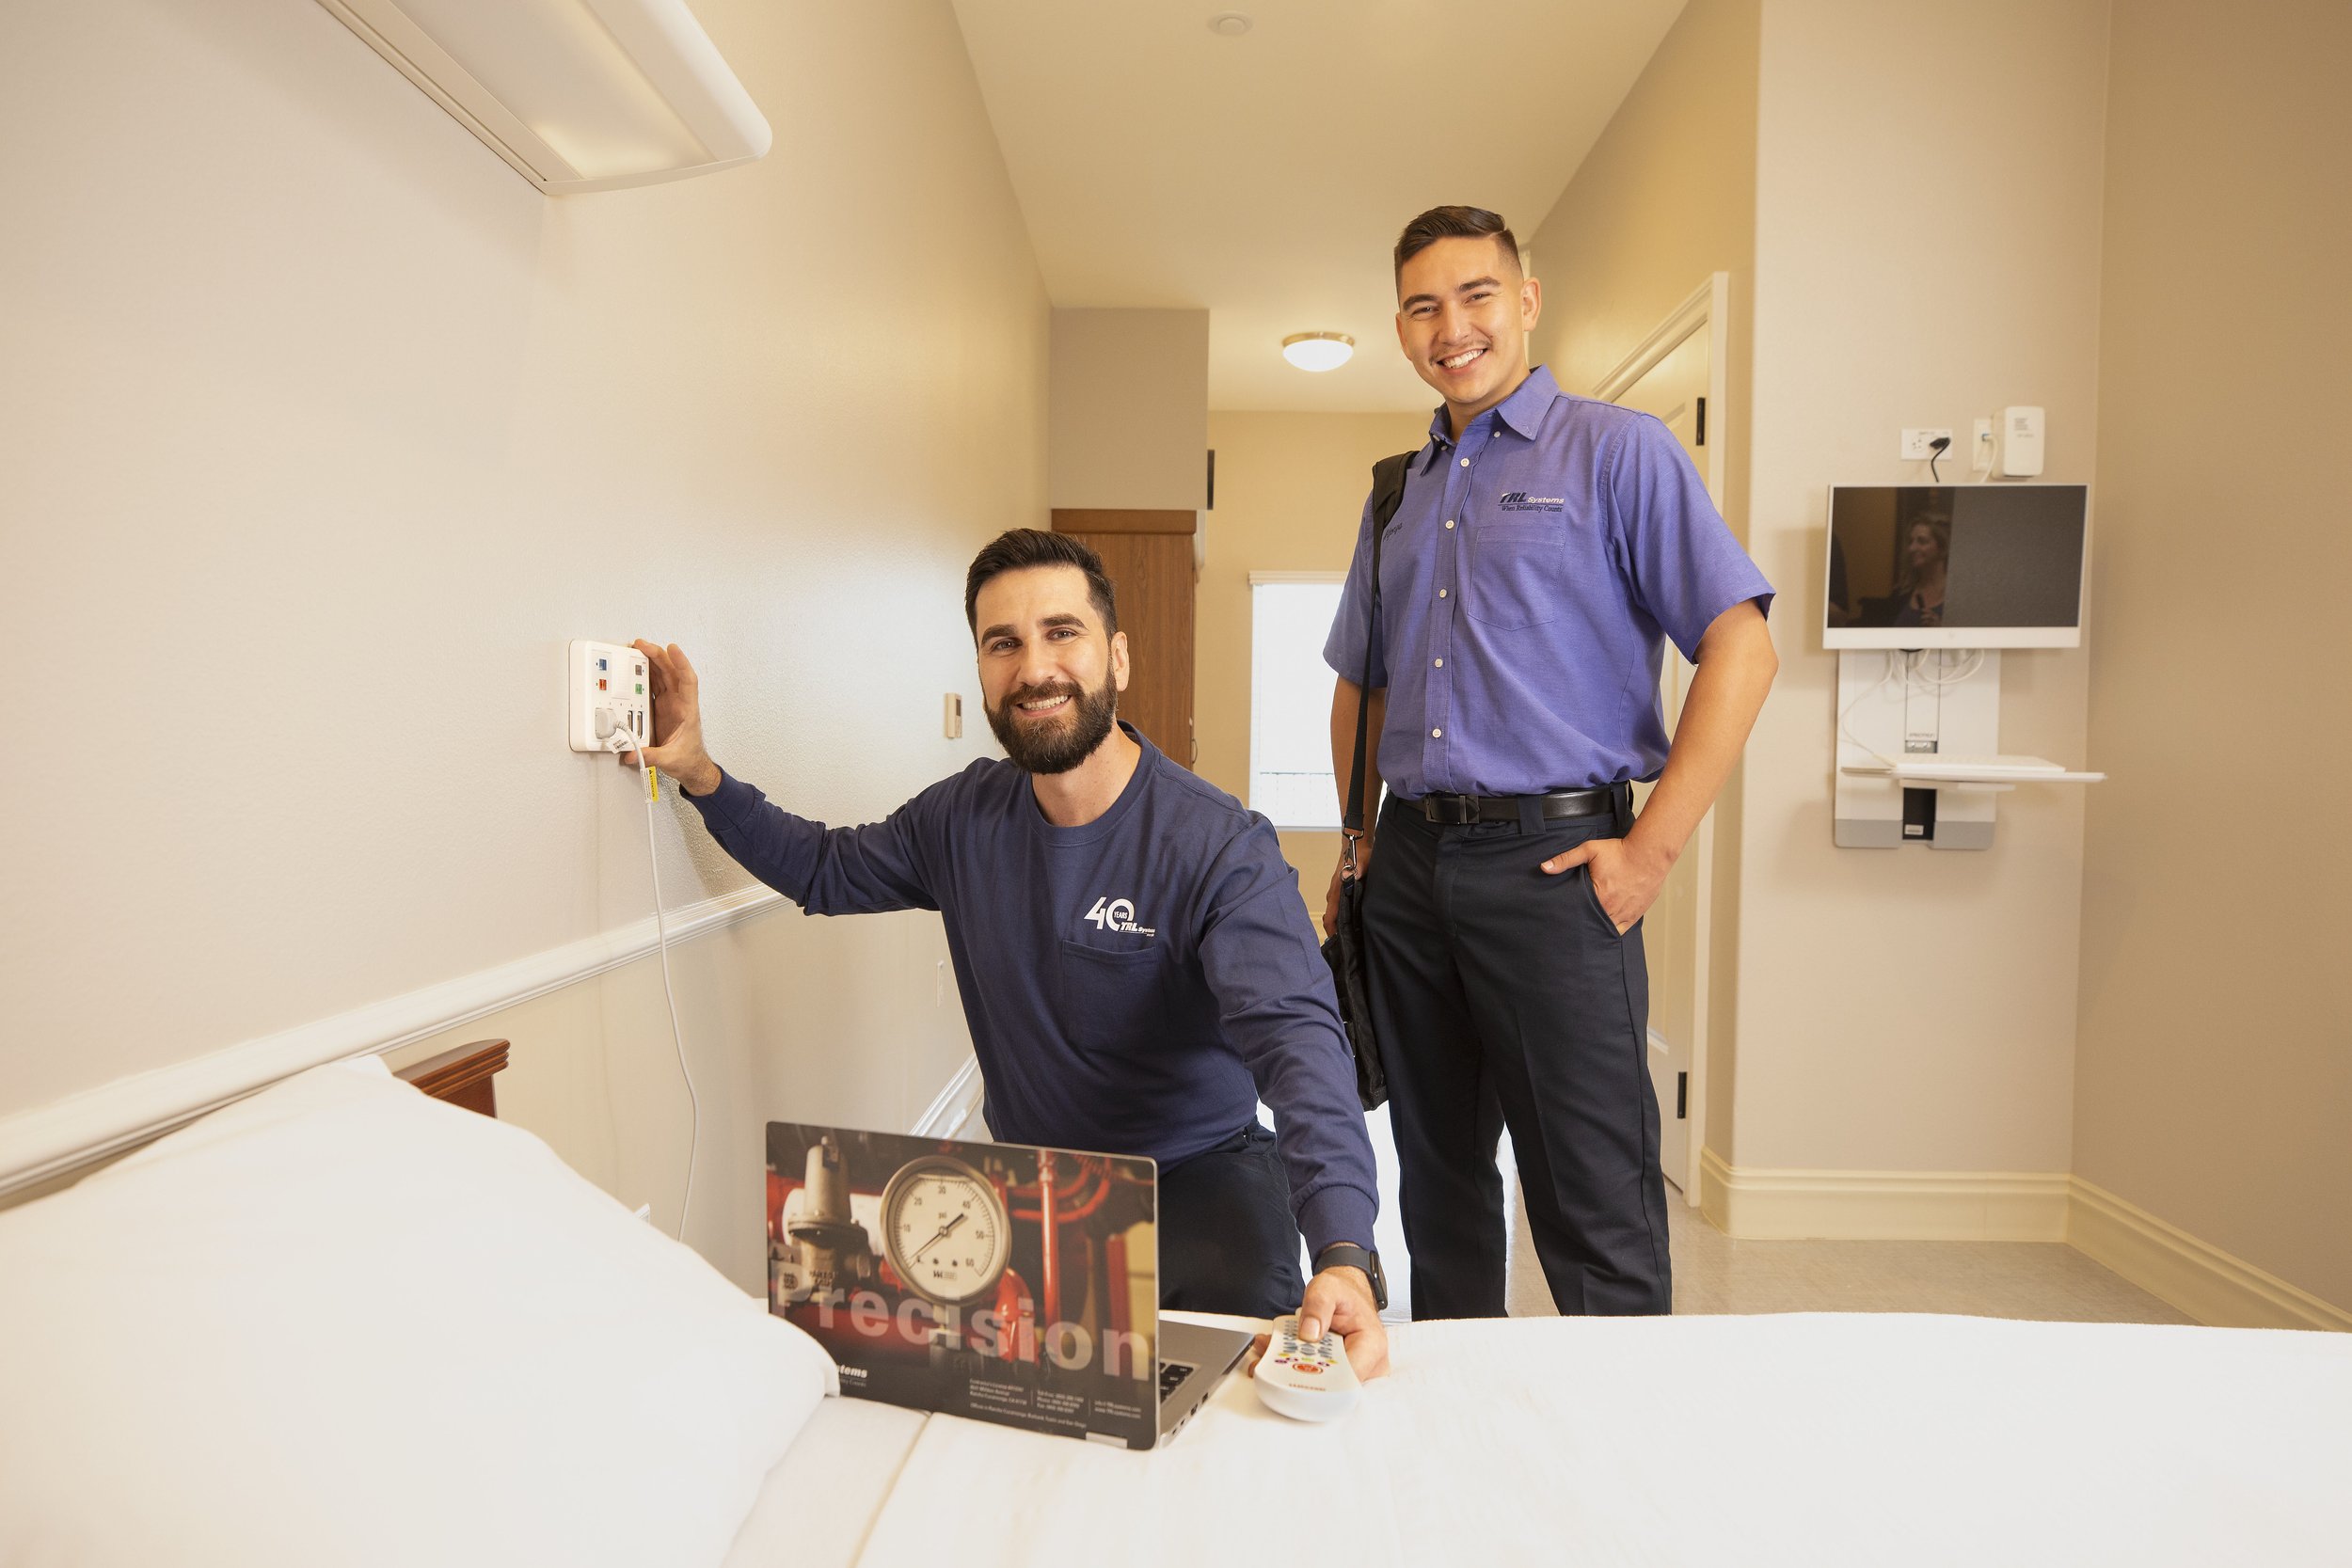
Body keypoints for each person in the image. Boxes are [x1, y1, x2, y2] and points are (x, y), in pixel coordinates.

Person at [632, 529, 1388, 1375]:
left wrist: (1345, 1249)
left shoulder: (1217, 846)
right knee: (991, 1415)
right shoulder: (960, 820)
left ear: (1119, 657)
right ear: (984, 670)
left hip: (1199, 1180)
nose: (1034, 668)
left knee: (1218, 1413)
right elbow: (821, 867)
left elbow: (1300, 1045)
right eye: (1004, 644)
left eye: (1062, 632)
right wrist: (700, 772)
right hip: (1032, 1192)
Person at [1322, 205, 1777, 1320]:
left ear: (1525, 302)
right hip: (1413, 870)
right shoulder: (1396, 490)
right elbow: (1361, 682)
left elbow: (1743, 644)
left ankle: (1613, 1460)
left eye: (1476, 294)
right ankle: (1458, 1439)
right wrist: (1361, 843)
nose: (1453, 325)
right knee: (1436, 1188)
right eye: (1424, 305)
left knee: (1592, 1200)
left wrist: (1650, 850)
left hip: (1557, 864)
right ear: (1399, 328)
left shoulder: (1618, 451)